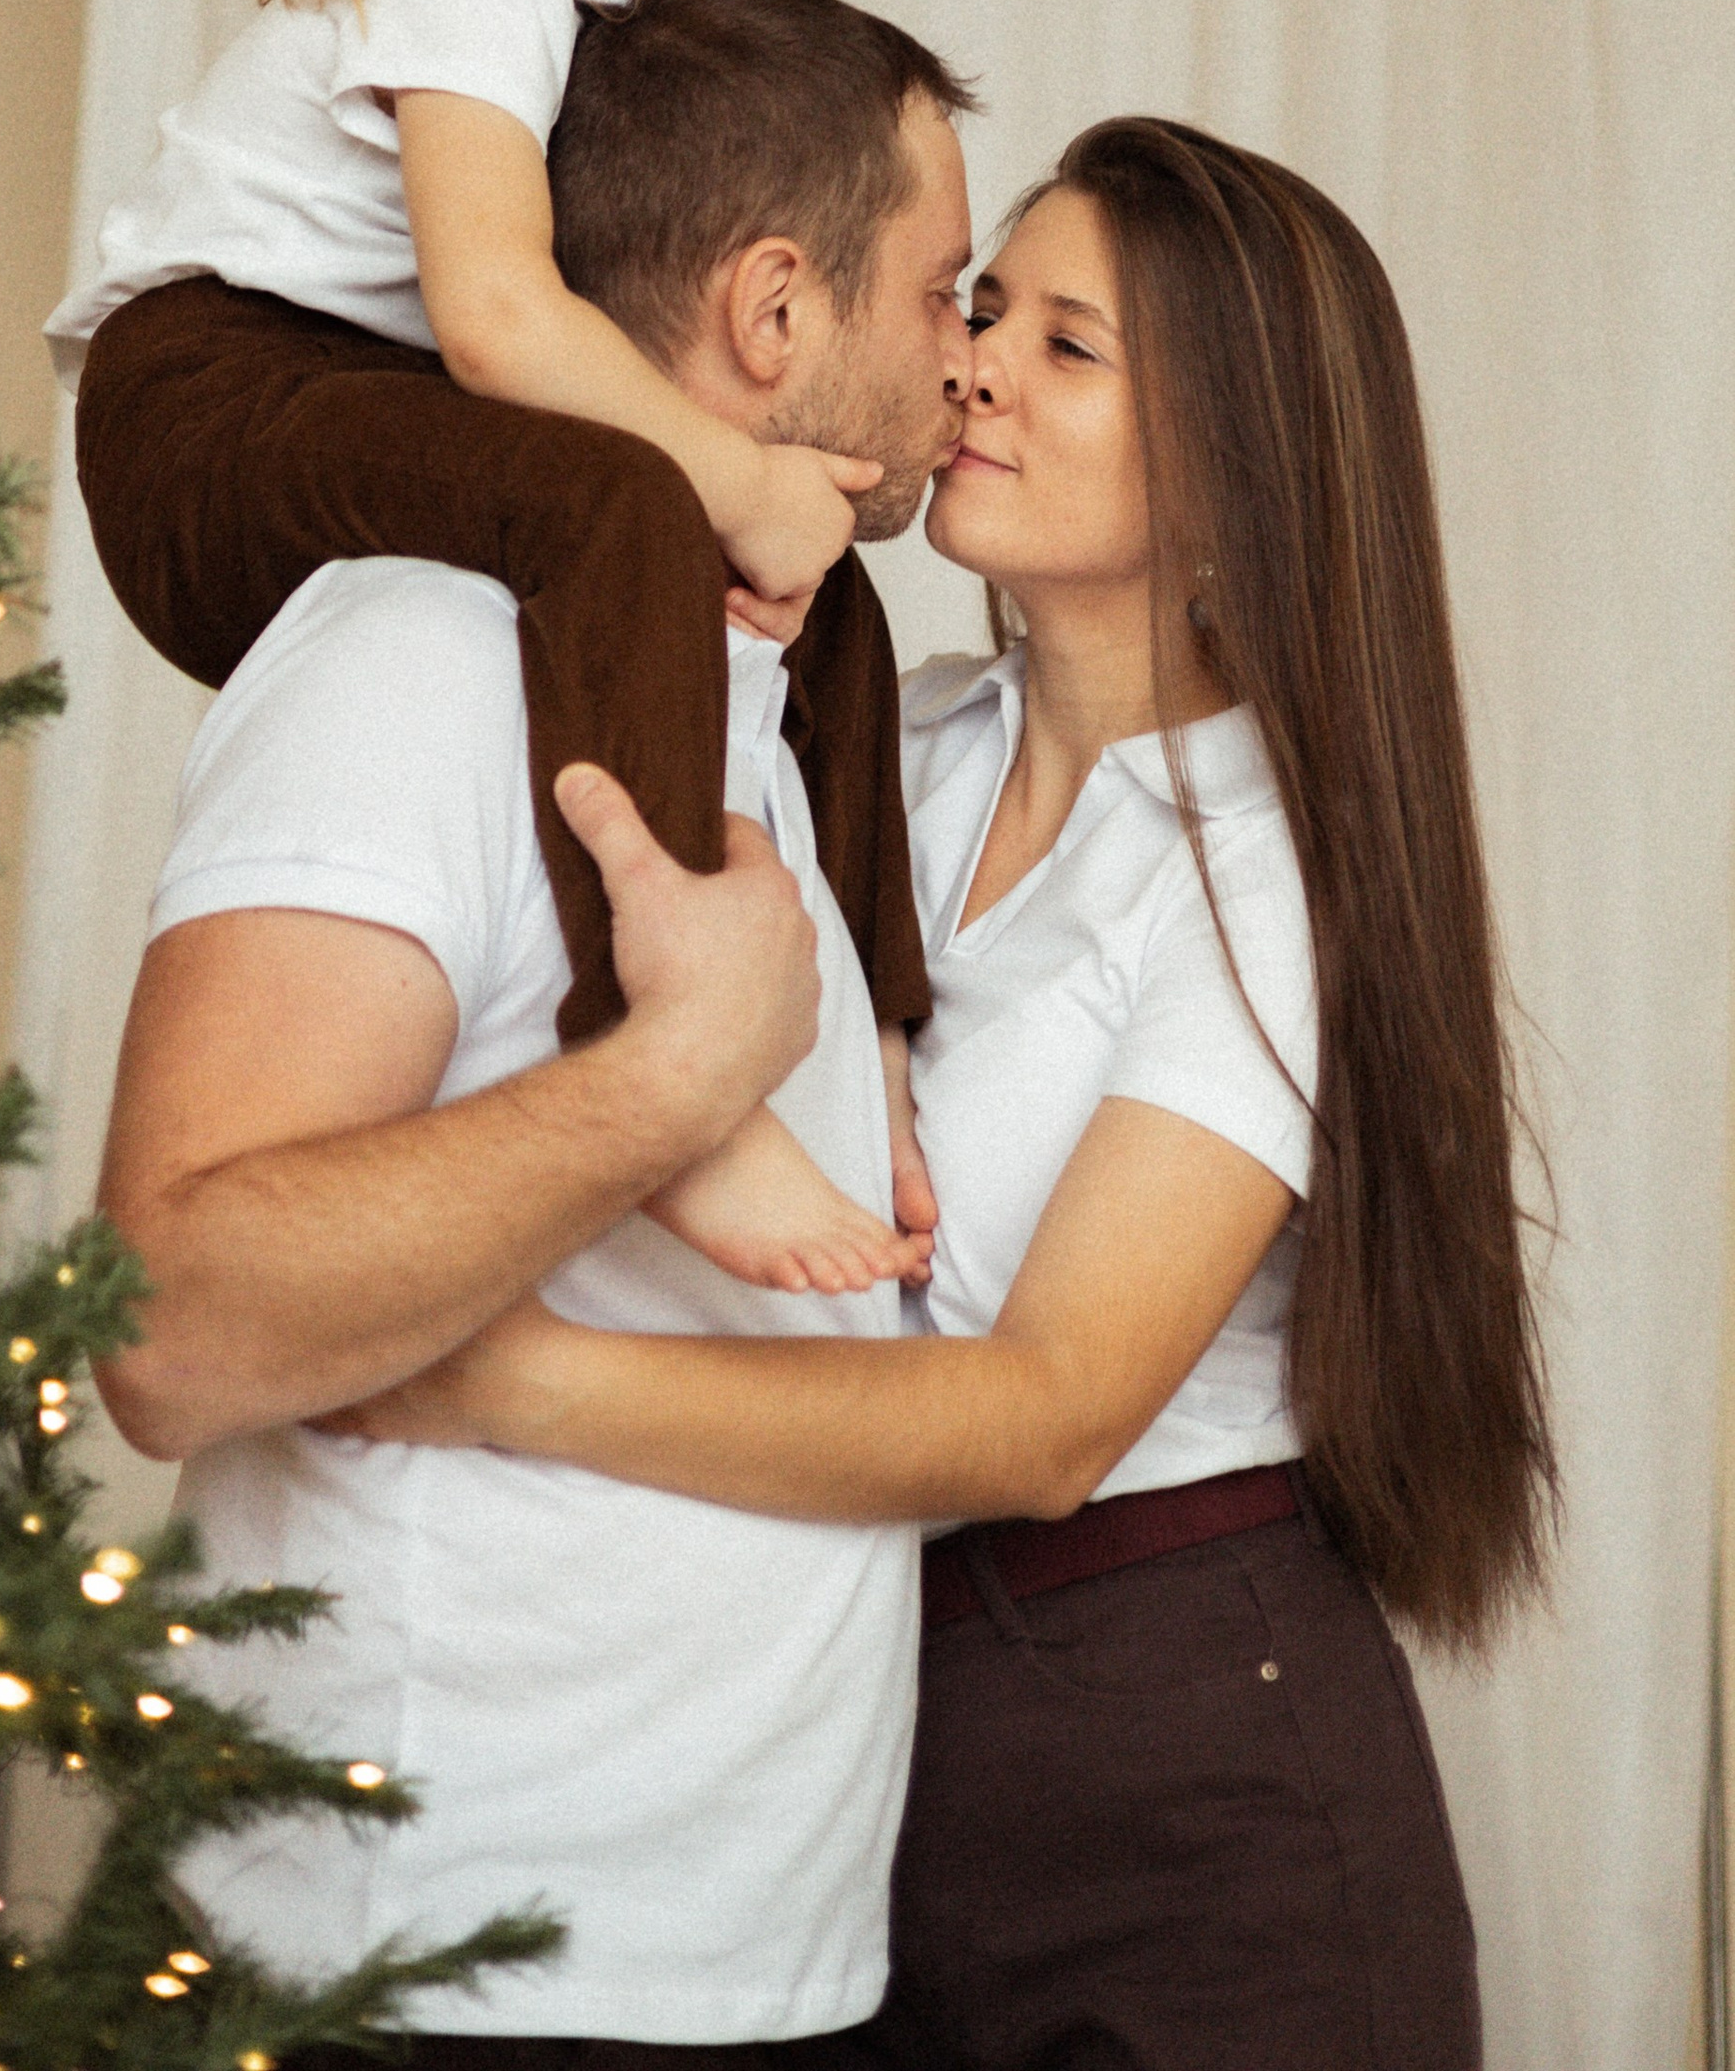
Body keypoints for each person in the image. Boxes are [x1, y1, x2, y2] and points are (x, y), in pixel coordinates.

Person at [334, 117, 1557, 2071]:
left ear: (1236, 463)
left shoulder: (1262, 877)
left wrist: (498, 1381)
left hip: (1192, 1790)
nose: (973, 365)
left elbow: (1045, 1414)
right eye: (983, 310)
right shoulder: (893, 751)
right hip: (878, 1755)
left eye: (1067, 345)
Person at [92, 0, 979, 2063]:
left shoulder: (750, 678)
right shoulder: (416, 648)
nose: (967, 351)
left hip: (734, 1975)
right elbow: (163, 1322)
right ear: (775, 310)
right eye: (942, 288)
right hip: (425, 1966)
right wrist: (678, 1079)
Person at [51, 0, 935, 1293]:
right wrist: (738, 476)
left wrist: (794, 508)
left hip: (342, 381)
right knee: (633, 502)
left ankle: (878, 1052)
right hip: (210, 399)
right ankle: (663, 1062)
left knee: (831, 591)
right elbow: (500, 320)